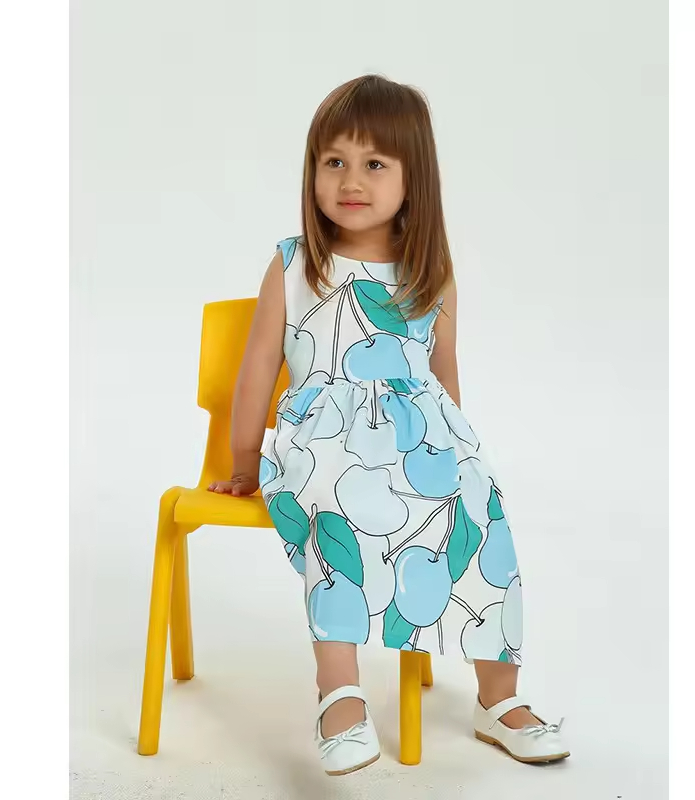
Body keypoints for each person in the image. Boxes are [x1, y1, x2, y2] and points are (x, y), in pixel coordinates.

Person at [208, 74, 569, 776]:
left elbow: (444, 375)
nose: (351, 180)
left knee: (480, 503)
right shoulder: (294, 264)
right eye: (334, 160)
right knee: (338, 506)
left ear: (413, 178)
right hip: (321, 438)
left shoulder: (429, 270)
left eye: (375, 163)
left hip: (415, 439)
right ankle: (338, 692)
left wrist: (460, 453)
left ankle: (499, 697)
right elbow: (256, 370)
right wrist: (246, 460)